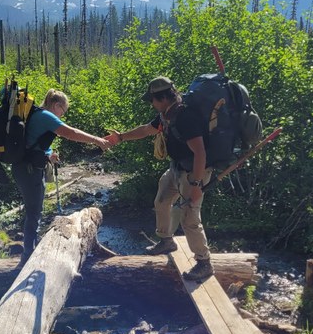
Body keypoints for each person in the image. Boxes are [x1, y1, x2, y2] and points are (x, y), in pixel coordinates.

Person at [106, 76, 213, 282]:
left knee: (189, 218)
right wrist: (120, 137)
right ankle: (166, 241)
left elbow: (200, 152)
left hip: (193, 172)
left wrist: (197, 184)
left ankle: (204, 263)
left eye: (152, 100)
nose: (151, 104)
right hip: (177, 168)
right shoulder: (167, 114)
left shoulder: (185, 116)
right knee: (162, 201)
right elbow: (147, 130)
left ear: (163, 97)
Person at [12, 89, 111, 264]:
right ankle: (27, 258)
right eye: (62, 111)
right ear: (56, 105)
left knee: (33, 211)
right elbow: (71, 133)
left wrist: (48, 154)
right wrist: (97, 140)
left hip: (24, 168)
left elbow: (32, 142)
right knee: (34, 213)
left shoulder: (36, 115)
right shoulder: (45, 116)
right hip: (29, 171)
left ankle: (29, 252)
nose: (62, 115)